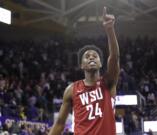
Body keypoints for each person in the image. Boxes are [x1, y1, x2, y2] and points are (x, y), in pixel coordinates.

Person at [48, 6, 120, 135]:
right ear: (82, 65)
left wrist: (110, 30)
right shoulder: (71, 90)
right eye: (87, 56)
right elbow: (59, 123)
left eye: (95, 56)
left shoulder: (108, 82)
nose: (91, 57)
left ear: (100, 63)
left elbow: (114, 57)